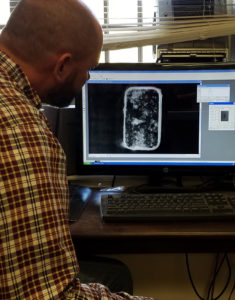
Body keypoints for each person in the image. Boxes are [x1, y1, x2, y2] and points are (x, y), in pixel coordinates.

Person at [0, 0, 153, 299]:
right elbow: (50, 297)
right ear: (63, 65)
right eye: (89, 69)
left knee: (114, 272)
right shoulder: (20, 131)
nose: (89, 79)